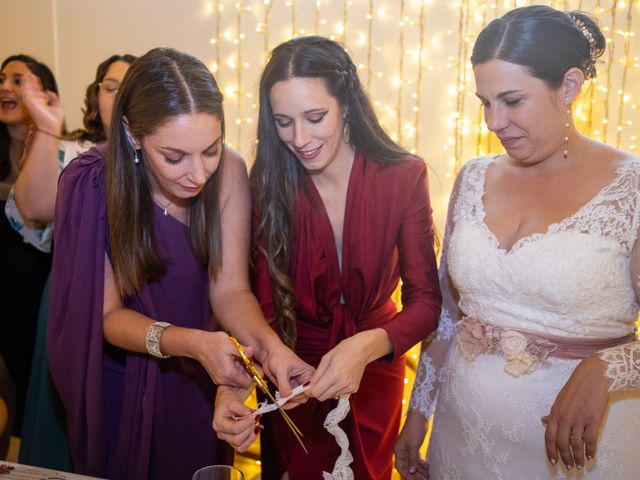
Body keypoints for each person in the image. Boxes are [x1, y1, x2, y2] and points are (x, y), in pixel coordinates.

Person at [395, 5, 640, 479]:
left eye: (511, 100)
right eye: (484, 102)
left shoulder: (631, 188)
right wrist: (417, 417)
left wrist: (608, 366)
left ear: (568, 86)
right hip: (461, 439)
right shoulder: (473, 177)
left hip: (580, 453)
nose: (493, 121)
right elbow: (448, 319)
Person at [48, 47, 312, 479]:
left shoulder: (229, 172)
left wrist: (271, 349)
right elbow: (107, 316)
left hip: (200, 380)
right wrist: (191, 343)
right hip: (125, 375)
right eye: (174, 157)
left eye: (210, 149)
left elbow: (229, 292)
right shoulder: (91, 183)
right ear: (133, 135)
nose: (198, 173)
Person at [214, 36, 441, 479]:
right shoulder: (265, 185)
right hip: (291, 373)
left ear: (347, 105)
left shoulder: (404, 177)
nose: (300, 139)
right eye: (283, 122)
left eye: (315, 118)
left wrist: (369, 345)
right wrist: (272, 357)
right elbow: (248, 300)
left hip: (375, 371)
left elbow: (427, 303)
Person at [3, 54, 136, 471]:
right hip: (70, 300)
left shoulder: (163, 156)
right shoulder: (70, 150)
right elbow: (35, 209)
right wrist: (46, 127)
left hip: (137, 308)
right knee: (66, 423)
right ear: (96, 96)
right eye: (112, 87)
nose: (122, 95)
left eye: (133, 86)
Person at [0, 54, 60, 437]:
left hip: (36, 293)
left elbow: (38, 214)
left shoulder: (65, 151)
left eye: (17, 80)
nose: (5, 87)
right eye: (1, 79)